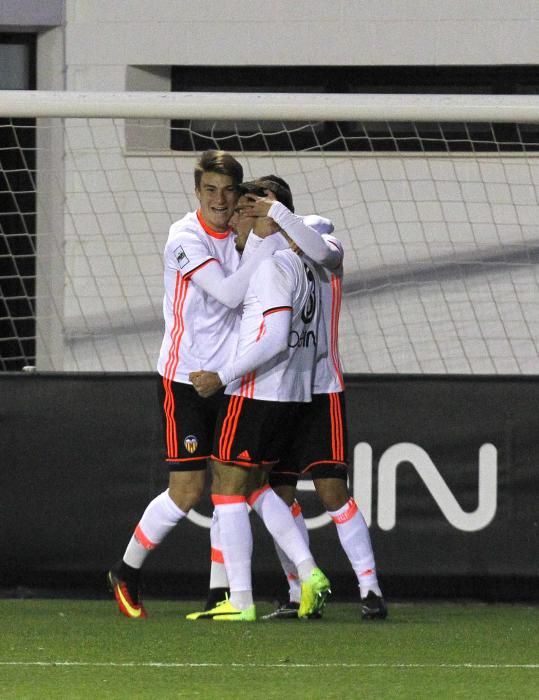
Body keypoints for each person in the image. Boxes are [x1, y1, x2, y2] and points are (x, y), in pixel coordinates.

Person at [107, 151, 282, 619]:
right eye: (210, 190)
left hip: (229, 379)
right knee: (187, 491)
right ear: (197, 192)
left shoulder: (244, 235)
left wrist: (264, 232)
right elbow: (228, 293)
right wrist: (262, 244)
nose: (219, 200)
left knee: (231, 485)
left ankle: (219, 593)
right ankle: (127, 570)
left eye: (228, 191)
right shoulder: (184, 238)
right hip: (185, 378)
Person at [186, 179, 331, 621]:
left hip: (257, 391)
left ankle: (242, 600)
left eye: (238, 209)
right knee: (257, 489)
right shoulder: (301, 262)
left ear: (257, 213)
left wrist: (222, 375)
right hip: (288, 394)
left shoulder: (271, 266)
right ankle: (308, 572)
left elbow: (275, 338)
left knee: (227, 489)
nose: (228, 217)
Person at [242, 187, 388, 621]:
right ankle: (299, 592)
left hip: (322, 388)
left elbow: (322, 254)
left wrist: (280, 216)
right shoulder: (268, 251)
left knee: (331, 491)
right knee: (280, 493)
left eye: (261, 200)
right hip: (283, 388)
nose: (256, 209)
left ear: (279, 202)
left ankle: (370, 590)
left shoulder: (320, 234)